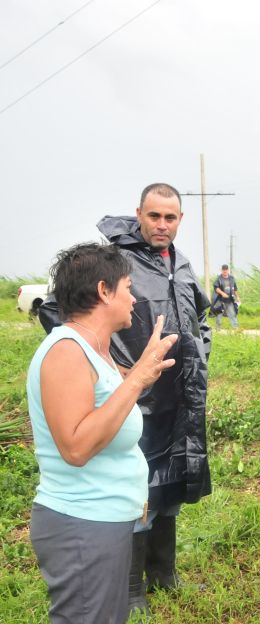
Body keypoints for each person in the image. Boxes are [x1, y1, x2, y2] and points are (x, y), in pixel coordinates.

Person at [41, 182, 213, 612]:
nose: (161, 225)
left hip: (179, 394)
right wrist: (107, 362)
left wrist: (199, 352)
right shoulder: (115, 261)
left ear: (180, 221)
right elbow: (57, 310)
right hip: (132, 398)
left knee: (172, 486)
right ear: (139, 213)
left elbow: (201, 316)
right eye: (154, 216)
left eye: (170, 217)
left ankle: (164, 574)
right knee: (139, 488)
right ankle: (132, 589)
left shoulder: (184, 264)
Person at [28, 243, 177, 624]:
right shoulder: (66, 351)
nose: (134, 297)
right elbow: (76, 447)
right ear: (103, 291)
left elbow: (104, 405)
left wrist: (138, 372)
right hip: (82, 524)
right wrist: (138, 378)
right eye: (127, 286)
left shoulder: (95, 350)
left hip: (102, 521)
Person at [212, 263, 240, 330]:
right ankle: (218, 328)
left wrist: (237, 297)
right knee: (219, 315)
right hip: (220, 300)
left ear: (228, 270)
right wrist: (222, 293)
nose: (225, 271)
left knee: (232, 314)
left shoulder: (231, 278)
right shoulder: (219, 279)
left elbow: (235, 288)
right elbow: (216, 288)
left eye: (226, 270)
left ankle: (235, 328)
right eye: (223, 270)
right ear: (221, 270)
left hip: (229, 300)